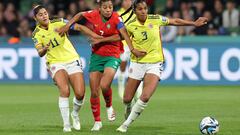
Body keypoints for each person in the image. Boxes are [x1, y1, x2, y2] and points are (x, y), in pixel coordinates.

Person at [116, 0, 208, 132]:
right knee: (127, 99)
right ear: (135, 11)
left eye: (145, 8)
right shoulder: (130, 25)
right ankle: (128, 107)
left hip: (155, 63)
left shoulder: (155, 19)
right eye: (140, 9)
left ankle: (126, 125)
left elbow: (175, 21)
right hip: (137, 63)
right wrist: (100, 40)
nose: (144, 11)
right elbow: (120, 37)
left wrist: (193, 23)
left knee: (145, 96)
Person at [58, 0, 146, 131]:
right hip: (96, 55)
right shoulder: (93, 14)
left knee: (105, 85)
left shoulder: (117, 18)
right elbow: (80, 15)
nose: (108, 10)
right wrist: (68, 25)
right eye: (105, 7)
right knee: (94, 91)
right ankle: (97, 121)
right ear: (100, 8)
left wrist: (132, 50)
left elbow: (123, 36)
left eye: (110, 7)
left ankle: (109, 106)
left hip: (113, 54)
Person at [31, 5, 99, 132]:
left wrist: (94, 36)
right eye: (40, 15)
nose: (44, 16)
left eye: (45, 13)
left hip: (72, 59)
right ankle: (66, 124)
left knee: (80, 93)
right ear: (35, 18)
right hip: (55, 62)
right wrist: (44, 49)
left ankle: (75, 114)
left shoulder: (59, 22)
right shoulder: (36, 34)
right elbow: (40, 52)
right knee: (65, 90)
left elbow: (78, 26)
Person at [117, 0, 143, 100]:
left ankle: (139, 89)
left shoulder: (135, 13)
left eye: (130, 0)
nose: (128, 2)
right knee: (123, 66)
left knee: (138, 66)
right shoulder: (118, 14)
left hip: (135, 44)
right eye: (126, 0)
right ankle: (121, 86)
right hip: (123, 44)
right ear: (122, 3)